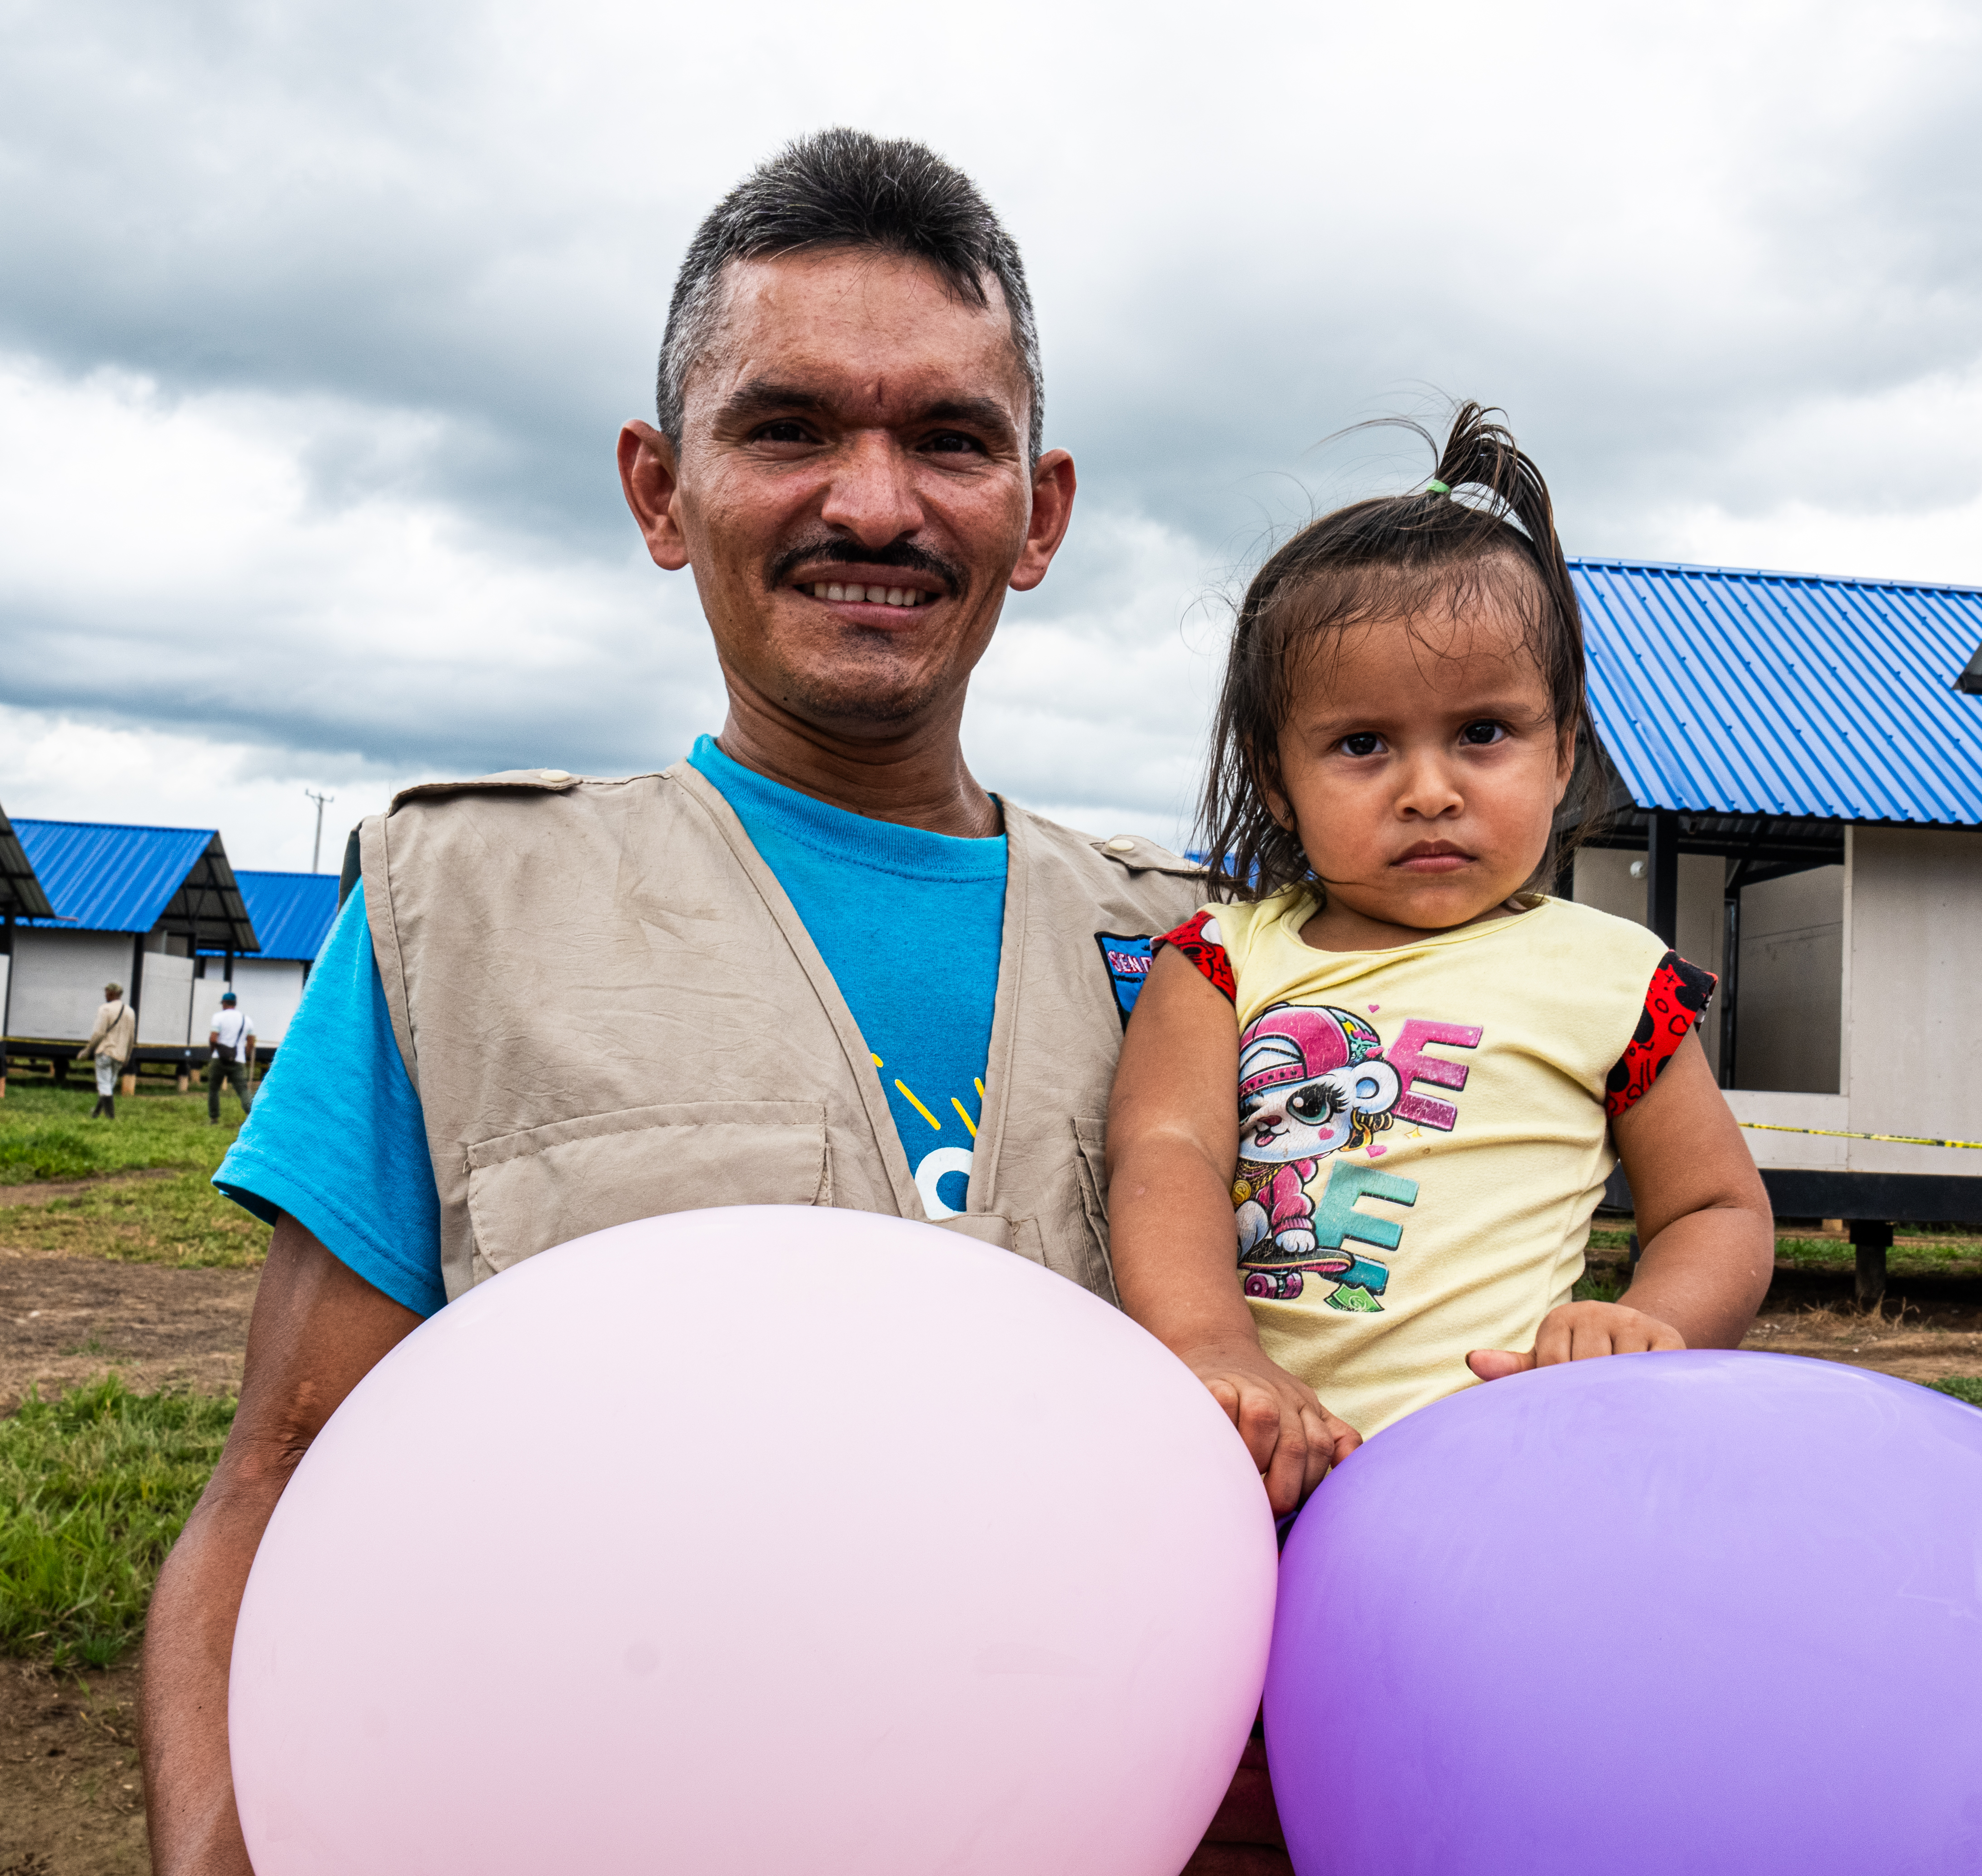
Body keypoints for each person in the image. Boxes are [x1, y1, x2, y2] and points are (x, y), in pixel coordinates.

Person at [138, 130, 1210, 1875]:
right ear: (656, 489)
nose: (874, 504)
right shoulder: (464, 906)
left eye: (950, 438)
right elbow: (288, 1471)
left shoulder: (1208, 964)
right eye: (786, 428)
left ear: (1040, 512)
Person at [1108, 404, 1776, 1511]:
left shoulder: (1617, 977)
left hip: (1507, 1481)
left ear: (1562, 749)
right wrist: (1215, 1350)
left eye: (1482, 732)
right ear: (1275, 779)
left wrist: (1648, 1326)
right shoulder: (1224, 956)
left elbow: (1716, 1210)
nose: (1428, 788)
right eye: (1361, 744)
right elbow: (1164, 1150)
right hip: (1243, 1470)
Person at [85, 982, 137, 1120]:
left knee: (104, 1085)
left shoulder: (105, 1009)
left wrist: (88, 1049)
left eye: (107, 992)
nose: (105, 994)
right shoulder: (130, 1011)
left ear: (112, 993)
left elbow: (99, 1033)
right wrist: (128, 1057)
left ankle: (111, 1118)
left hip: (106, 1052)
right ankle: (96, 1114)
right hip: (120, 1055)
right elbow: (132, 1038)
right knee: (108, 1086)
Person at [204, 990, 253, 1124]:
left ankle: (214, 1119)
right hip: (238, 1060)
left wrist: (213, 1051)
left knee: (214, 1089)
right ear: (236, 1004)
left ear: (224, 1004)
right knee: (243, 1090)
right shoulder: (246, 1020)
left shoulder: (218, 1017)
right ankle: (252, 1116)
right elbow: (251, 1042)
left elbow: (214, 1039)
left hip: (219, 1058)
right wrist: (246, 1056)